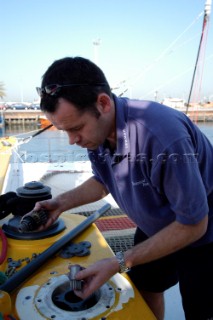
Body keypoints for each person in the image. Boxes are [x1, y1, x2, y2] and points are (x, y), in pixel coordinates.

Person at [34, 56, 213, 320]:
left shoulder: (163, 136)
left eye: (76, 128)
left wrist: (120, 261)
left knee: (201, 312)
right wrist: (61, 203)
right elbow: (104, 180)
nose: (72, 141)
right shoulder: (96, 134)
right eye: (65, 131)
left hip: (203, 235)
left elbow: (194, 224)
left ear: (103, 103)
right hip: (155, 223)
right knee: (145, 288)